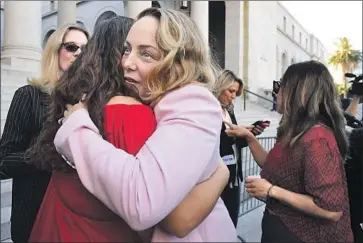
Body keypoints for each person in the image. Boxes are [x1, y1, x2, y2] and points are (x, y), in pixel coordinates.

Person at [26, 15, 231, 242]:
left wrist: (76, 128)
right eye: (126, 50)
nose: (126, 63)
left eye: (146, 53)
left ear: (179, 60)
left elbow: (163, 213)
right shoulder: (154, 102)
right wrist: (220, 172)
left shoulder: (192, 101)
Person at [225, 61, 354, 242]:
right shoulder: (295, 131)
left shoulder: (317, 139)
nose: (275, 91)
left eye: (280, 85)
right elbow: (272, 164)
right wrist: (249, 137)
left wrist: (271, 190)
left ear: (299, 92)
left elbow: (330, 209)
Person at [0, 24, 88, 243]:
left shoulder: (88, 102)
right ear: (55, 51)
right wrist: (45, 157)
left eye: (85, 49)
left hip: (75, 215)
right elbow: (4, 161)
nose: (78, 53)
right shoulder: (28, 96)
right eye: (71, 47)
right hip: (34, 212)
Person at [213, 69, 266, 227]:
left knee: (232, 221)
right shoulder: (209, 110)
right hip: (217, 178)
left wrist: (249, 134)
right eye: (231, 91)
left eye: (236, 92)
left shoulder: (229, 110)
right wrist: (233, 133)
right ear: (220, 87)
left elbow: (235, 143)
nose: (233, 96)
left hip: (234, 176)